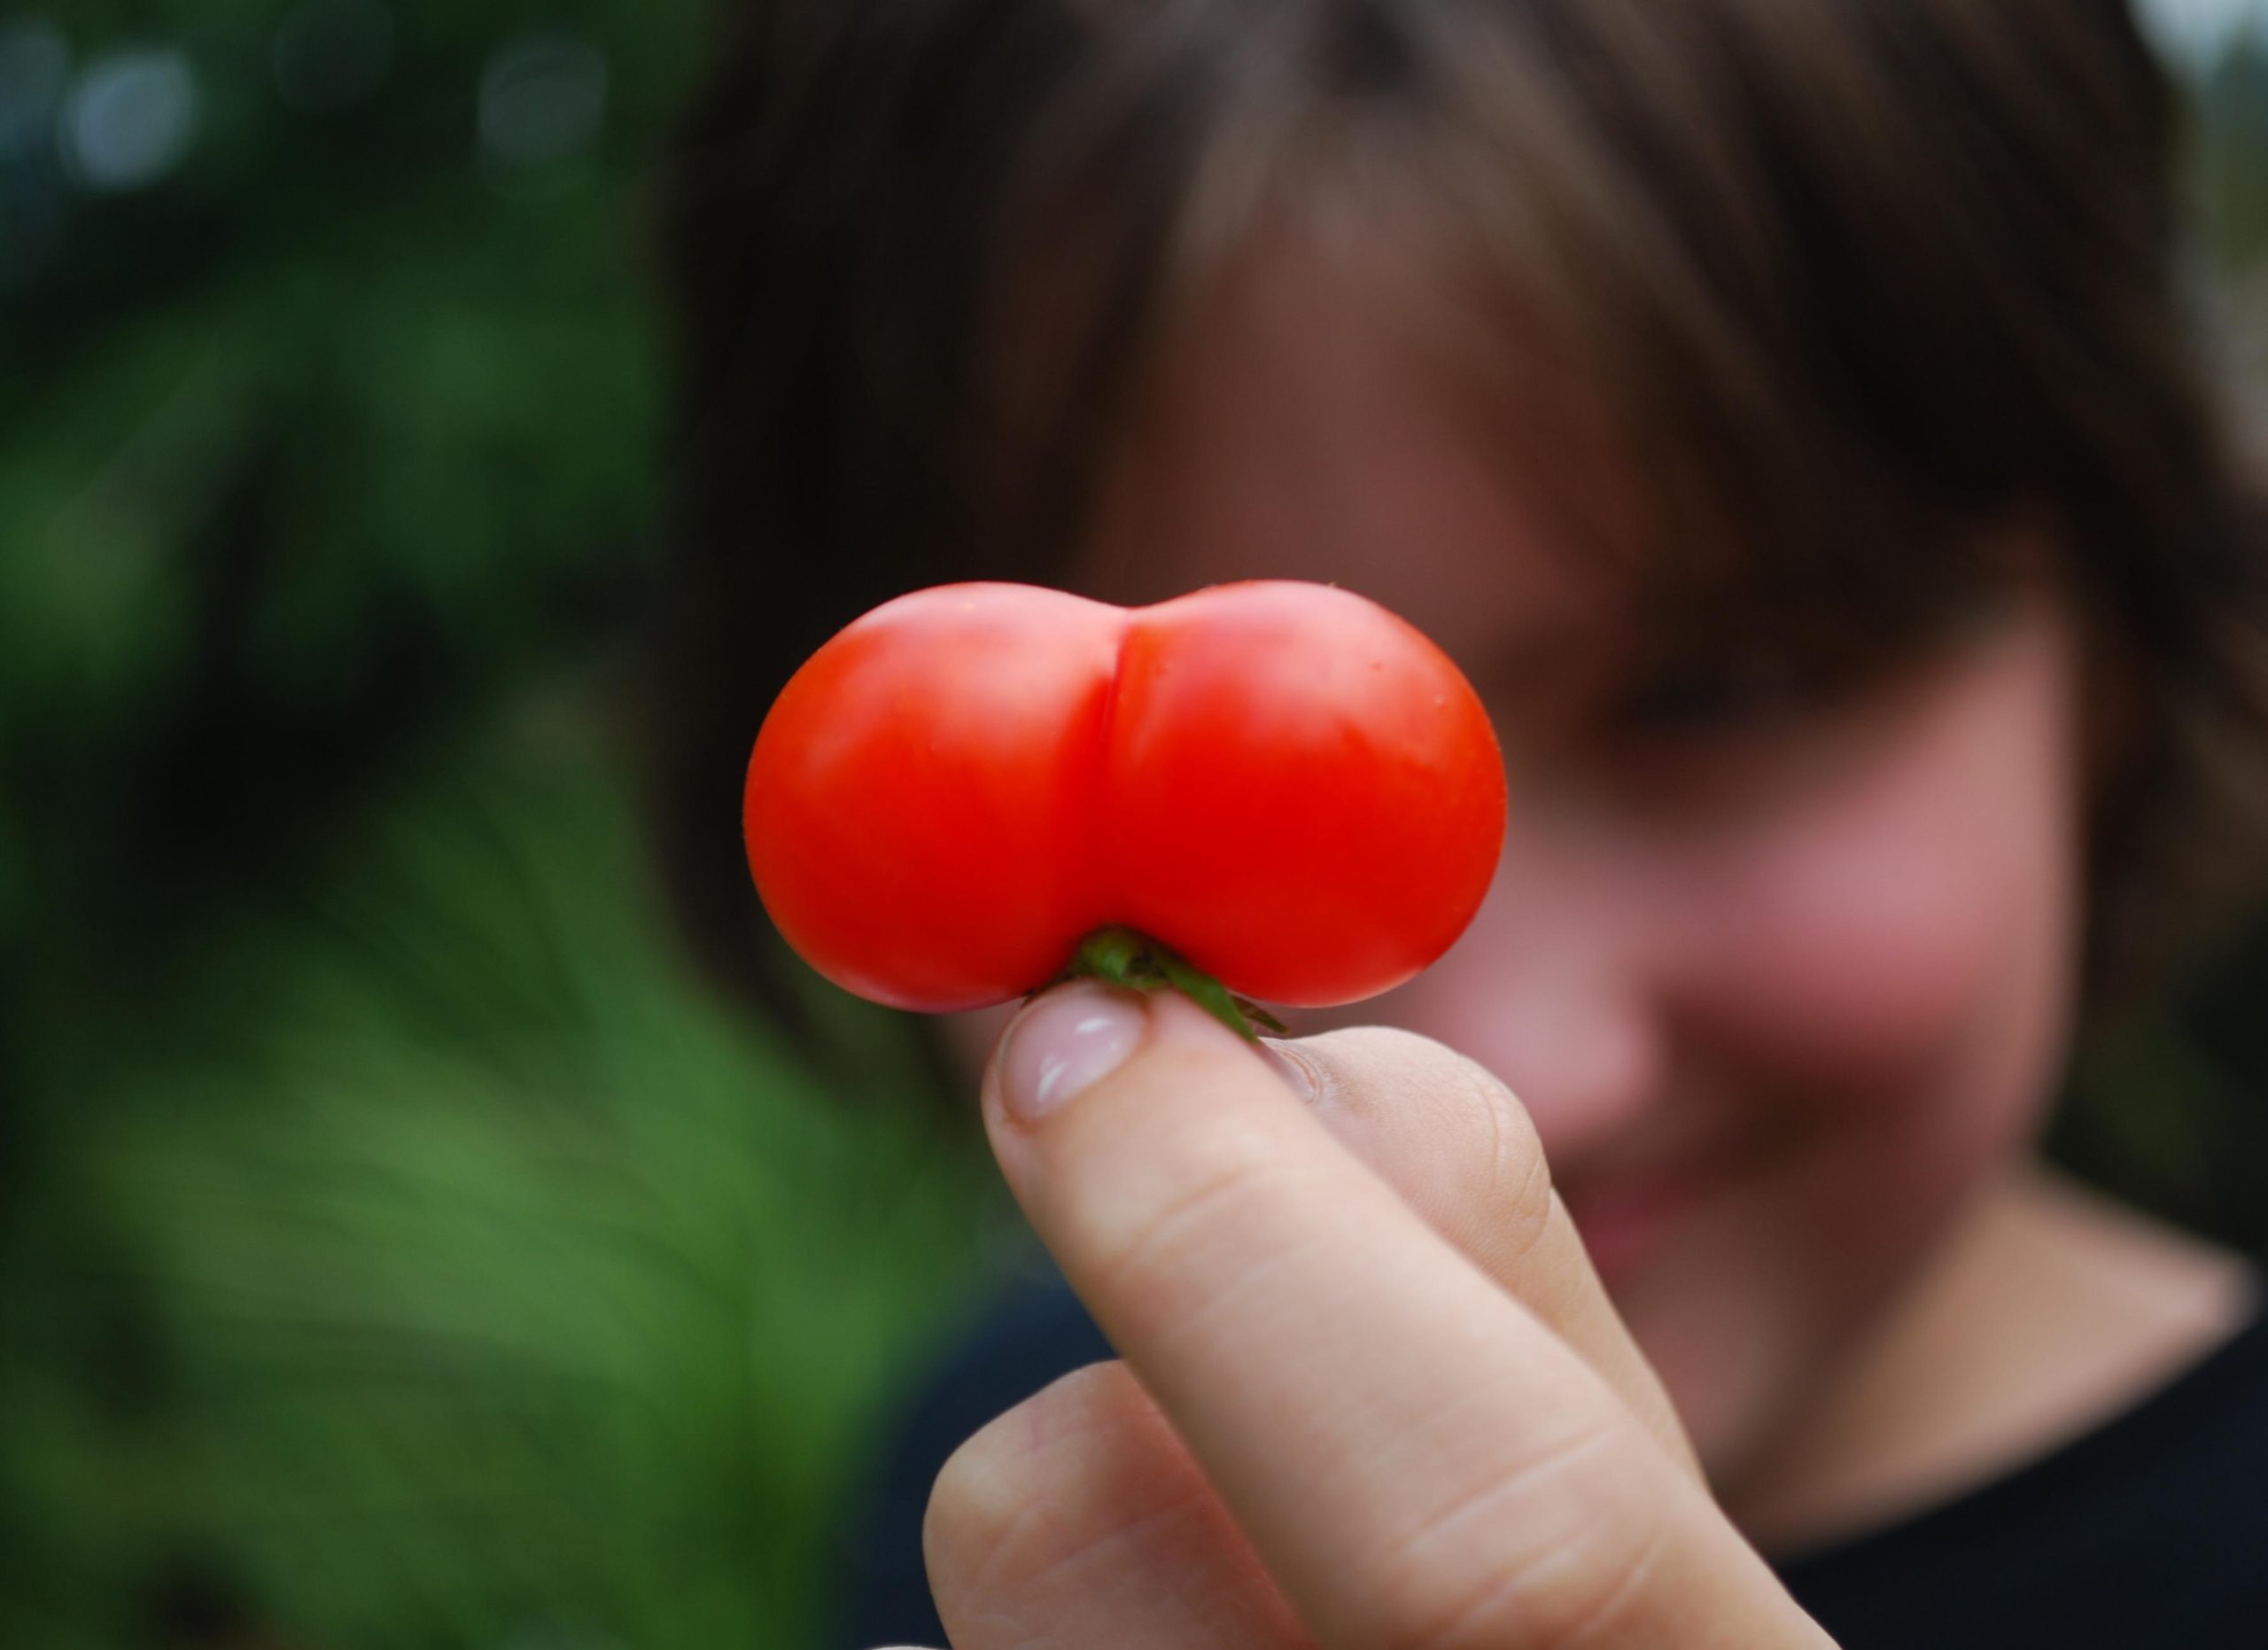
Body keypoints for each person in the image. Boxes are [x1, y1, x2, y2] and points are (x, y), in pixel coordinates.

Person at [647, 1, 2268, 1644]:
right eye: (1048, 771)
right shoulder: (1010, 1467)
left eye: (1721, 688)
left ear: (2126, 657)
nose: (1505, 1083)